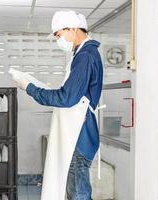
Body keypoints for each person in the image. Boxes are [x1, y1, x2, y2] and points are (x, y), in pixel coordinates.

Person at [13, 10, 103, 200]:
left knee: (78, 193)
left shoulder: (85, 55)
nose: (58, 40)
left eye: (58, 35)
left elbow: (66, 98)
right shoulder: (81, 54)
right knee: (74, 190)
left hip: (79, 135)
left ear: (72, 29)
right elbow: (73, 94)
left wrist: (30, 88)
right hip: (77, 133)